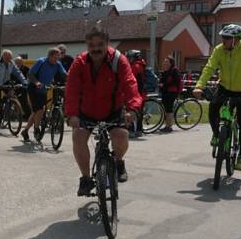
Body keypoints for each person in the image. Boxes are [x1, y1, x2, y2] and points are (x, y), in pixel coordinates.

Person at [66, 28, 142, 195]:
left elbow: (130, 84)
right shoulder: (79, 62)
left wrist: (133, 109)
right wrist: (72, 114)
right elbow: (71, 88)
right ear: (87, 45)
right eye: (91, 45)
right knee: (78, 136)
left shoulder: (118, 60)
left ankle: (119, 161)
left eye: (100, 44)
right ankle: (86, 178)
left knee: (121, 135)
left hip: (113, 109)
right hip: (86, 110)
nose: (95, 48)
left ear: (107, 44)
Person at [192, 24, 241, 171]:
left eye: (226, 38)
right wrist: (199, 85)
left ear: (236, 39)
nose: (223, 40)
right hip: (224, 88)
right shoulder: (219, 50)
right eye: (222, 37)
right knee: (213, 108)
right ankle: (217, 135)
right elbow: (209, 68)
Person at [21, 48, 67, 141]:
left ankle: (26, 130)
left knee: (39, 111)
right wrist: (37, 82)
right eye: (54, 57)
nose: (56, 60)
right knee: (39, 110)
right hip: (34, 88)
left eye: (58, 58)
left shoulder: (57, 64)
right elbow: (30, 74)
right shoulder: (41, 62)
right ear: (49, 56)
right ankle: (36, 128)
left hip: (43, 89)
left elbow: (65, 74)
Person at [0, 49, 27, 119]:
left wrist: (24, 82)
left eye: (10, 58)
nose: (9, 60)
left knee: (12, 93)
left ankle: (7, 105)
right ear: (3, 56)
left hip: (5, 82)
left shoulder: (11, 63)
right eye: (7, 58)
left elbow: (18, 73)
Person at [159, 56, 182, 132]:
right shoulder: (165, 71)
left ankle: (169, 126)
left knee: (169, 109)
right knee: (166, 109)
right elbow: (162, 80)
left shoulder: (174, 70)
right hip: (165, 91)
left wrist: (164, 84)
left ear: (171, 63)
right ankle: (167, 125)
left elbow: (175, 81)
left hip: (172, 92)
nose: (165, 63)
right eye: (164, 62)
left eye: (167, 62)